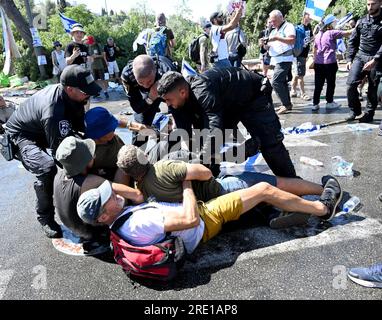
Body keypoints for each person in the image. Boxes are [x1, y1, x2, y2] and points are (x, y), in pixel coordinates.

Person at [77, 174, 342, 255]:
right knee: (261, 188)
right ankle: (322, 208)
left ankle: (289, 208)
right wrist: (186, 185)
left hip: (196, 223)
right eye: (107, 199)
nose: (113, 195)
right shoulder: (137, 221)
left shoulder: (120, 221)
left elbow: (137, 197)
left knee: (243, 196)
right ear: (102, 217)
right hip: (204, 220)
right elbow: (190, 219)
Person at [4, 65, 101, 238]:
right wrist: (82, 179)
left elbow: (81, 130)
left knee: (86, 147)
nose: (89, 94)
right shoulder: (53, 110)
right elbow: (62, 154)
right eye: (86, 91)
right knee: (47, 168)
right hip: (22, 136)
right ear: (70, 89)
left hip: (43, 129)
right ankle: (45, 217)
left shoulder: (75, 97)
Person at [157, 70, 297, 178]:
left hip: (253, 95)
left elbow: (214, 127)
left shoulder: (202, 91)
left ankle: (294, 185)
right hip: (227, 105)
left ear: (182, 92)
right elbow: (186, 133)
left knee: (270, 143)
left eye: (169, 100)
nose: (167, 105)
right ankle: (211, 181)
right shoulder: (175, 101)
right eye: (165, 101)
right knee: (203, 145)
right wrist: (196, 160)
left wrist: (202, 158)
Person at [116, 145, 332, 206]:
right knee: (275, 184)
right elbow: (205, 172)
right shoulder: (163, 168)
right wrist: (184, 172)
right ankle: (323, 191)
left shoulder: (141, 187)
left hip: (207, 206)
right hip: (221, 190)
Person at [54, 136, 143, 241]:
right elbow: (137, 195)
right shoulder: (89, 181)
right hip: (96, 232)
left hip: (75, 227)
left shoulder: (59, 175)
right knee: (123, 167)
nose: (94, 154)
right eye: (90, 153)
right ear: (84, 162)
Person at [120, 54, 177, 145]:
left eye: (149, 81)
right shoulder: (127, 75)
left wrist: (175, 119)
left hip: (166, 90)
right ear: (134, 75)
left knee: (179, 124)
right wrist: (151, 97)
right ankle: (136, 153)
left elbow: (178, 100)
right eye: (141, 82)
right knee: (141, 127)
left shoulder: (167, 71)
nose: (146, 85)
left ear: (155, 70)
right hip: (148, 95)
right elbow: (137, 107)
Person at [346, 0, 382, 122]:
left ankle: (368, 114)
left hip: (377, 59)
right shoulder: (361, 21)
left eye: (373, 4)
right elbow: (352, 41)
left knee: (373, 88)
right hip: (361, 56)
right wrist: (349, 59)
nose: (370, 7)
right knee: (351, 84)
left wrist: (376, 59)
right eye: (368, 4)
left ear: (380, 3)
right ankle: (354, 110)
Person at [311, 14, 353, 112]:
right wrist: (358, 27)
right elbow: (347, 33)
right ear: (330, 24)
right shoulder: (332, 33)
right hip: (330, 63)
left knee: (318, 84)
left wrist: (314, 59)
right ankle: (329, 102)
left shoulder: (317, 35)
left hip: (318, 63)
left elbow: (315, 48)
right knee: (330, 83)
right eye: (334, 22)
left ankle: (315, 104)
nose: (335, 24)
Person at [261, 10, 296, 115]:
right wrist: (263, 44)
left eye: (274, 21)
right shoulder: (273, 30)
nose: (272, 23)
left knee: (275, 82)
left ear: (281, 18)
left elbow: (292, 40)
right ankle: (286, 104)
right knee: (281, 82)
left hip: (285, 59)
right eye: (271, 21)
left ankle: (286, 104)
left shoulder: (288, 26)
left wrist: (277, 38)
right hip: (277, 60)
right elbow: (268, 47)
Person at [290, 12, 313, 101]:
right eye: (308, 17)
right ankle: (303, 93)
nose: (309, 19)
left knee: (297, 73)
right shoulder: (298, 28)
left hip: (304, 53)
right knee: (300, 75)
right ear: (303, 17)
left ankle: (293, 90)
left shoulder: (309, 27)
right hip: (299, 54)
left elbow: (311, 37)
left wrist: (311, 39)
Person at [86, 35, 109, 100]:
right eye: (89, 43)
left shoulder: (98, 46)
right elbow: (87, 56)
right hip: (93, 66)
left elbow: (102, 55)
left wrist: (96, 56)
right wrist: (90, 57)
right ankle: (96, 92)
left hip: (100, 65)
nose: (90, 44)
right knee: (94, 80)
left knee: (102, 79)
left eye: (91, 42)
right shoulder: (88, 47)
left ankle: (105, 92)